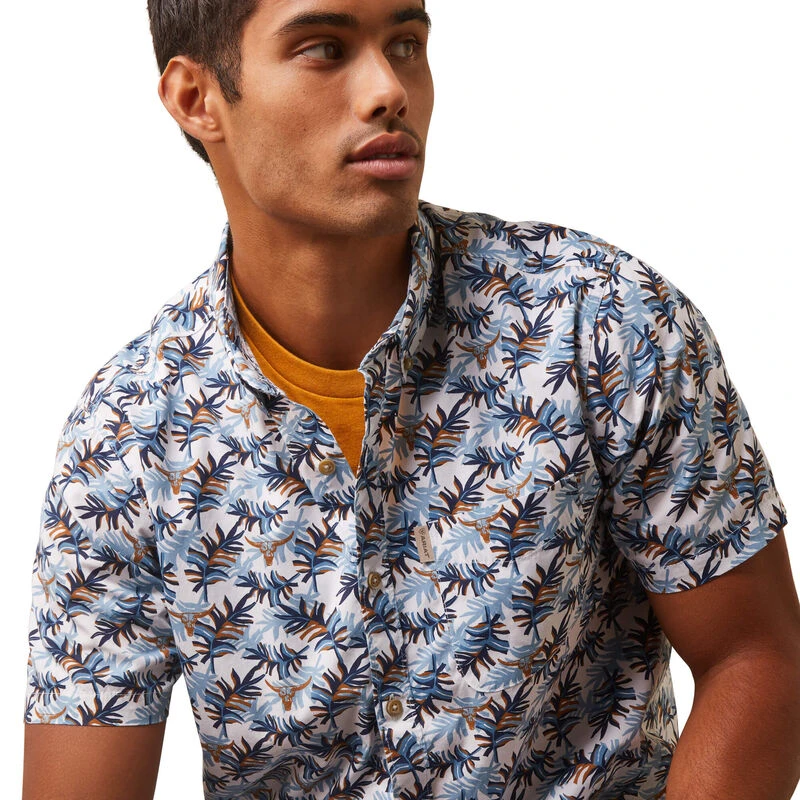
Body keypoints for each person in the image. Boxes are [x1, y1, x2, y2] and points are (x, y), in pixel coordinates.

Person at [21, 1, 800, 798]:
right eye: (324, 49)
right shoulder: (126, 435)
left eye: (405, 44)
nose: (389, 89)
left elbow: (755, 654)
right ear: (197, 99)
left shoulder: (597, 321)